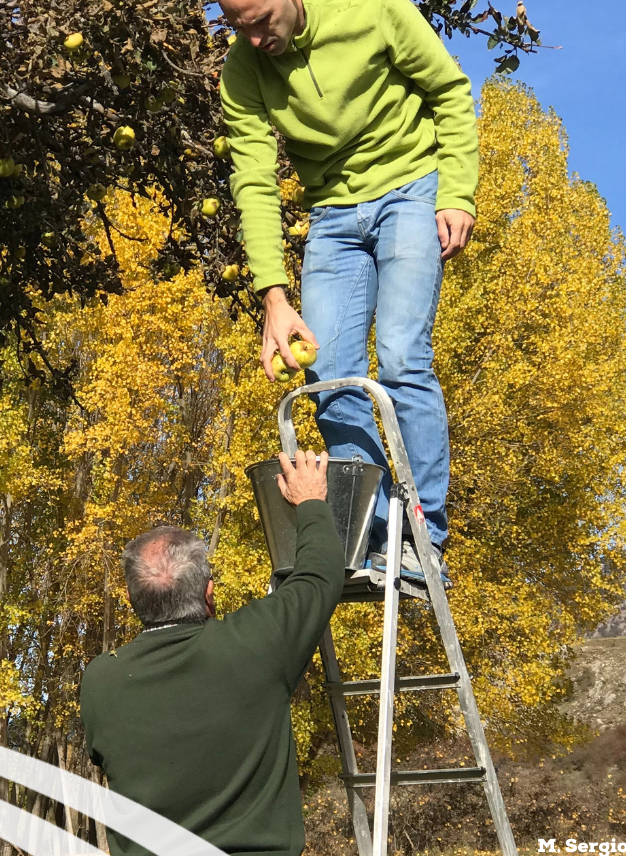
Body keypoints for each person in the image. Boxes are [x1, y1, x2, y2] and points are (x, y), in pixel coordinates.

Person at [218, 0, 479, 580]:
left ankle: (423, 535)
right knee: (330, 375)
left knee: (402, 356)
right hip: (332, 215)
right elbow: (254, 181)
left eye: (263, 20)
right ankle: (372, 531)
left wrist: (457, 190)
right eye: (241, 27)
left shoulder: (373, 9)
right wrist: (274, 298)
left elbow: (450, 91)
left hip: (410, 187)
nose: (257, 39)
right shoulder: (243, 70)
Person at [80, 450, 344, 856]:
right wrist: (311, 502)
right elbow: (319, 578)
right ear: (208, 592)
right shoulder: (257, 643)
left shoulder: (100, 680)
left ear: (135, 601)